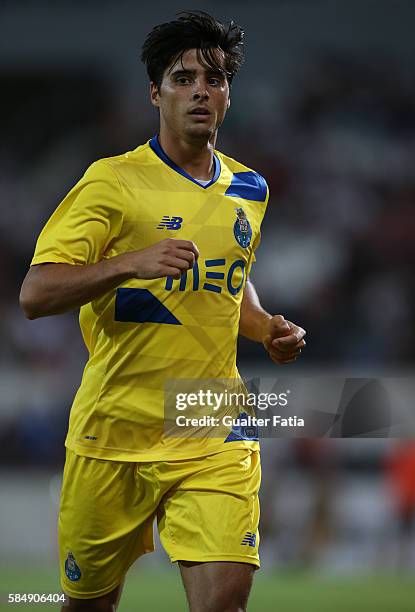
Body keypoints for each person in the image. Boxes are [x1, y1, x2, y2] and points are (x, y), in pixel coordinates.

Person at [20, 11, 306, 612]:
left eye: (216, 78)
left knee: (224, 598)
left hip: (208, 419)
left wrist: (266, 328)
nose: (201, 90)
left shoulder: (250, 189)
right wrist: (128, 263)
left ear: (228, 95)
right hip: (114, 428)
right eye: (183, 78)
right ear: (156, 92)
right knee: (88, 605)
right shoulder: (112, 183)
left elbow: (232, 284)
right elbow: (35, 293)